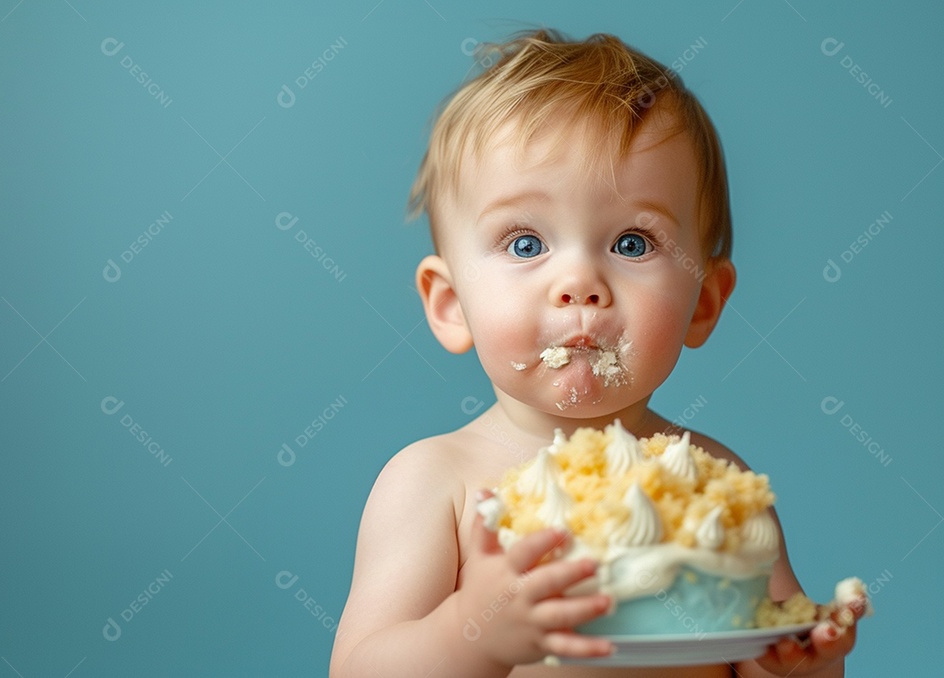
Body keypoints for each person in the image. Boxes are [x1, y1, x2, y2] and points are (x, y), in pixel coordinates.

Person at [329, 30, 865, 677]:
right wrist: (469, 638)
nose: (579, 283)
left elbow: (759, 646)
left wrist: (803, 660)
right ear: (449, 303)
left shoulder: (712, 483)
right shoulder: (435, 482)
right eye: (526, 243)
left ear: (702, 302)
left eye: (634, 243)